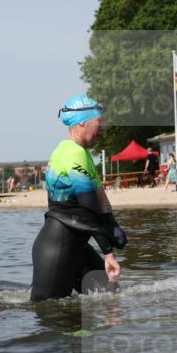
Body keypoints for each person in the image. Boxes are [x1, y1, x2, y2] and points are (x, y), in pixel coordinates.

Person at [30, 94, 126, 302]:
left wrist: (112, 223)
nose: (103, 128)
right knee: (52, 314)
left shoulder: (81, 152)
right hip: (56, 250)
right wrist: (108, 251)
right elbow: (88, 210)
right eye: (99, 122)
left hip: (75, 247)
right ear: (83, 122)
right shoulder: (72, 153)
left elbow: (100, 197)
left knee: (111, 296)